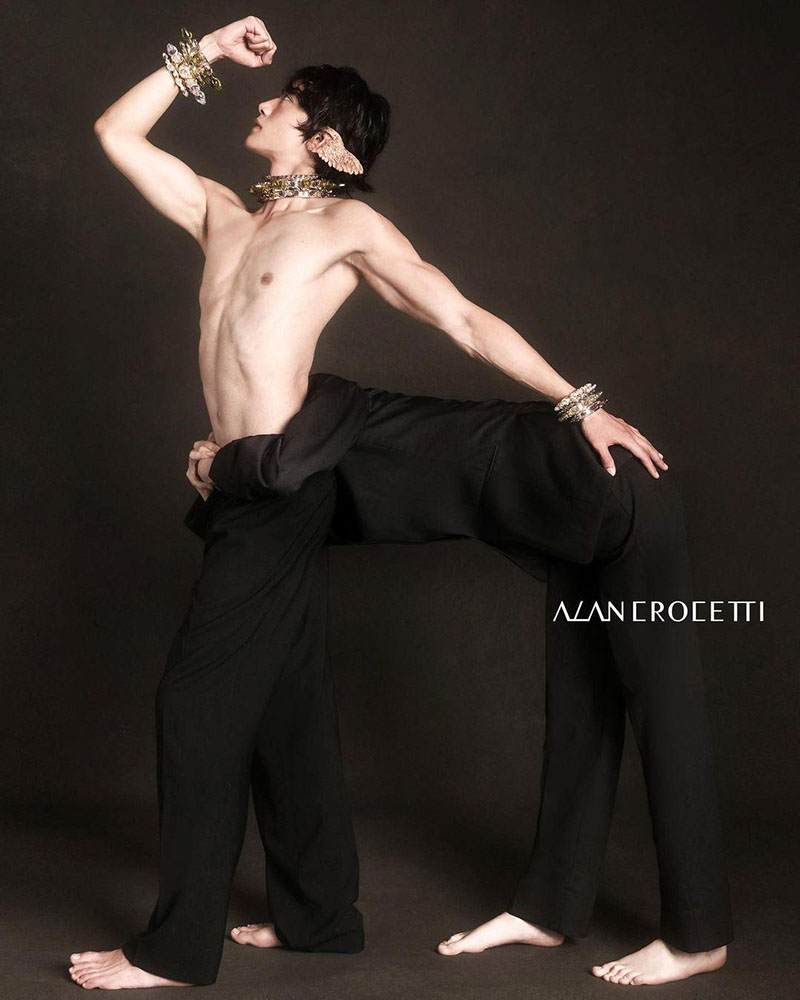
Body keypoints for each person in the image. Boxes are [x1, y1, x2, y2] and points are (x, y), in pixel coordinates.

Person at [67, 13, 730, 990]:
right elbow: (116, 132)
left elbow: (457, 315)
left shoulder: (347, 227)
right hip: (249, 486)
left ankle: (171, 950)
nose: (263, 102)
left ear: (325, 140)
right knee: (286, 704)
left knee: (198, 703)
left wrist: (581, 405)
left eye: (285, 100)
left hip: (282, 482)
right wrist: (206, 49)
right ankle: (318, 920)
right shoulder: (221, 213)